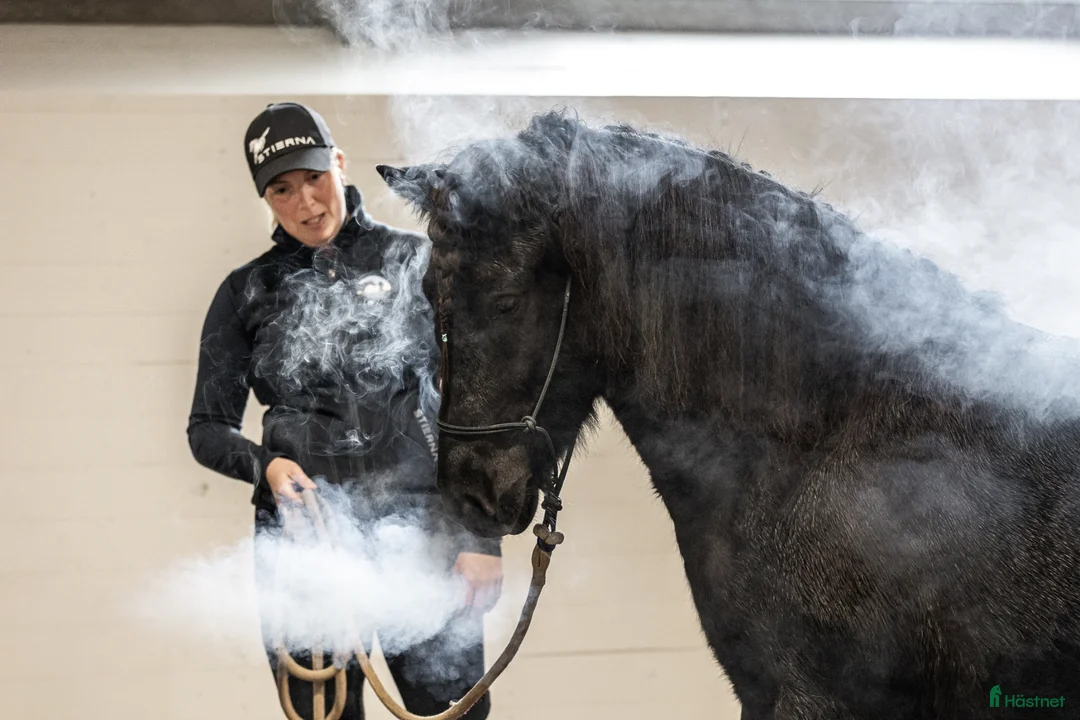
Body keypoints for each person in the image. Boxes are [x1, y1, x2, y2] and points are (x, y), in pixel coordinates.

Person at [186, 101, 500, 719]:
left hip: (423, 533)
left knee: (454, 713)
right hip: (304, 543)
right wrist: (266, 467)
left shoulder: (418, 263)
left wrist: (480, 533)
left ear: (339, 163)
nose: (305, 202)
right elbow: (207, 428)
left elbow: (471, 404)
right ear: (266, 198)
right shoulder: (246, 291)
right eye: (282, 190)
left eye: (313, 177)